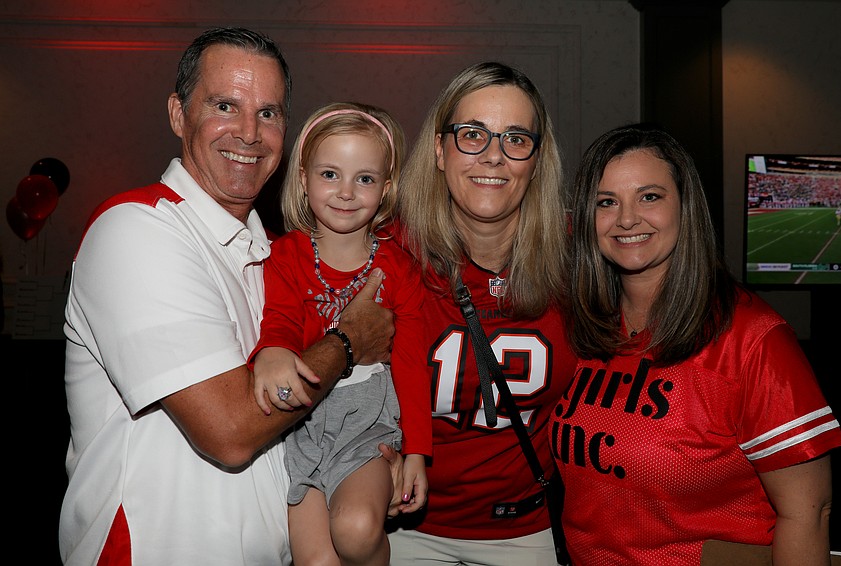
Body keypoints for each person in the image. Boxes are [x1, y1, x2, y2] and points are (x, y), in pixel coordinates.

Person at [59, 28, 399, 566]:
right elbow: (230, 430)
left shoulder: (277, 256)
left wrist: (373, 453)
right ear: (178, 114)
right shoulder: (138, 231)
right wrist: (349, 342)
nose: (249, 133)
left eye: (268, 113)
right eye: (225, 105)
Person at [551, 124, 841, 566]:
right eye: (606, 202)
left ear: (685, 206)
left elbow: (808, 513)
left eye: (650, 196)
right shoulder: (582, 326)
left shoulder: (753, 339)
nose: (627, 219)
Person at [387, 61, 578, 565]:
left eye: (516, 139)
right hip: (405, 527)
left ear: (536, 160)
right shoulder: (386, 253)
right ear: (439, 148)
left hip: (524, 528)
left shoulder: (578, 259)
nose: (493, 156)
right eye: (473, 134)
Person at [249, 102, 431, 566]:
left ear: (386, 188)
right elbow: (282, 320)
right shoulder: (285, 254)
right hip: (297, 428)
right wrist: (272, 349)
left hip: (367, 421)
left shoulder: (400, 268)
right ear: (304, 177)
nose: (346, 192)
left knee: (355, 530)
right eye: (330, 174)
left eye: (365, 178)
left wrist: (416, 453)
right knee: (316, 561)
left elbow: (411, 363)